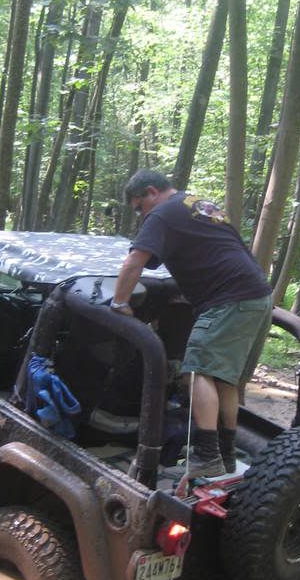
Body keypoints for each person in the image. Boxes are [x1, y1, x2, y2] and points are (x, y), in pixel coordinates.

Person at [112, 169, 273, 479]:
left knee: (196, 372)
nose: (140, 215)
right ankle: (224, 453)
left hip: (229, 299)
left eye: (138, 207)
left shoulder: (161, 214)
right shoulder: (195, 203)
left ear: (151, 193)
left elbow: (135, 261)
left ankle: (207, 454)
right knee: (224, 379)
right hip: (256, 295)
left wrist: (119, 303)